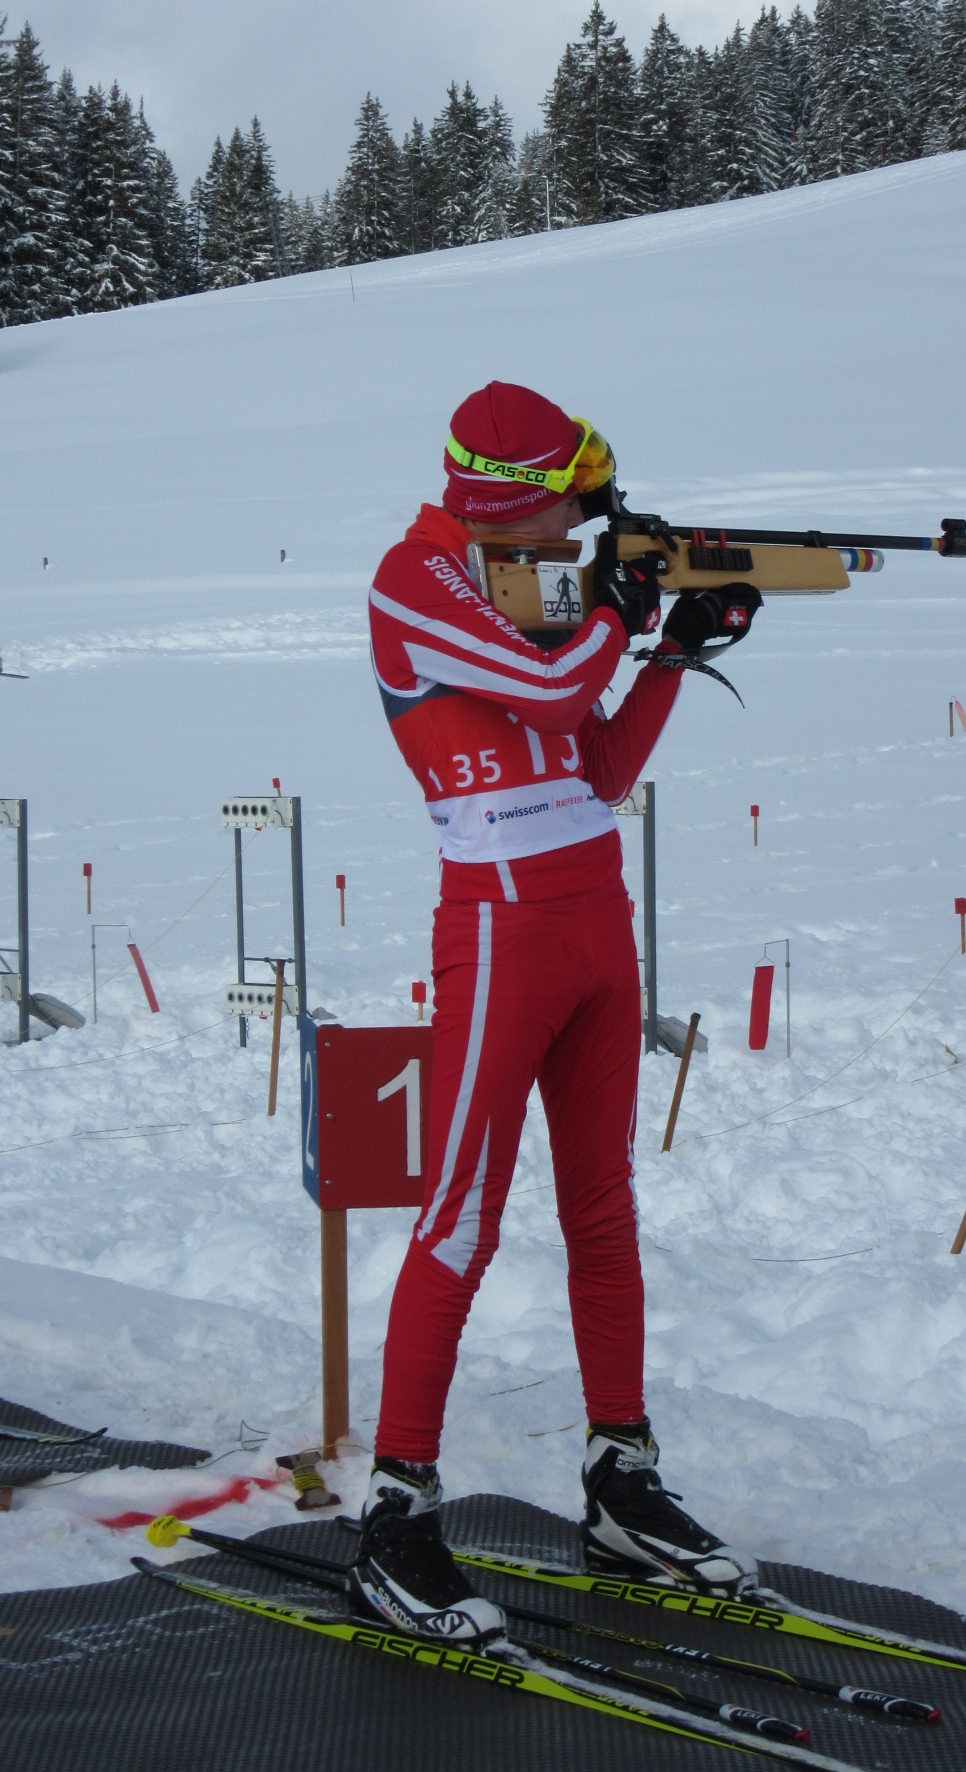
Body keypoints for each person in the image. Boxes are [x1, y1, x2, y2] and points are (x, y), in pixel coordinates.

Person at [350, 381, 761, 1644]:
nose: (580, 530)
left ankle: (621, 1479)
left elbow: (597, 761)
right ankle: (396, 1512)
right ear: (508, 496)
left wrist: (674, 649)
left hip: (594, 916)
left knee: (602, 1205)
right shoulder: (414, 582)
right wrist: (625, 610)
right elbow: (547, 693)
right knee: (463, 1214)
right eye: (568, 506)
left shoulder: (531, 591)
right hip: (500, 928)